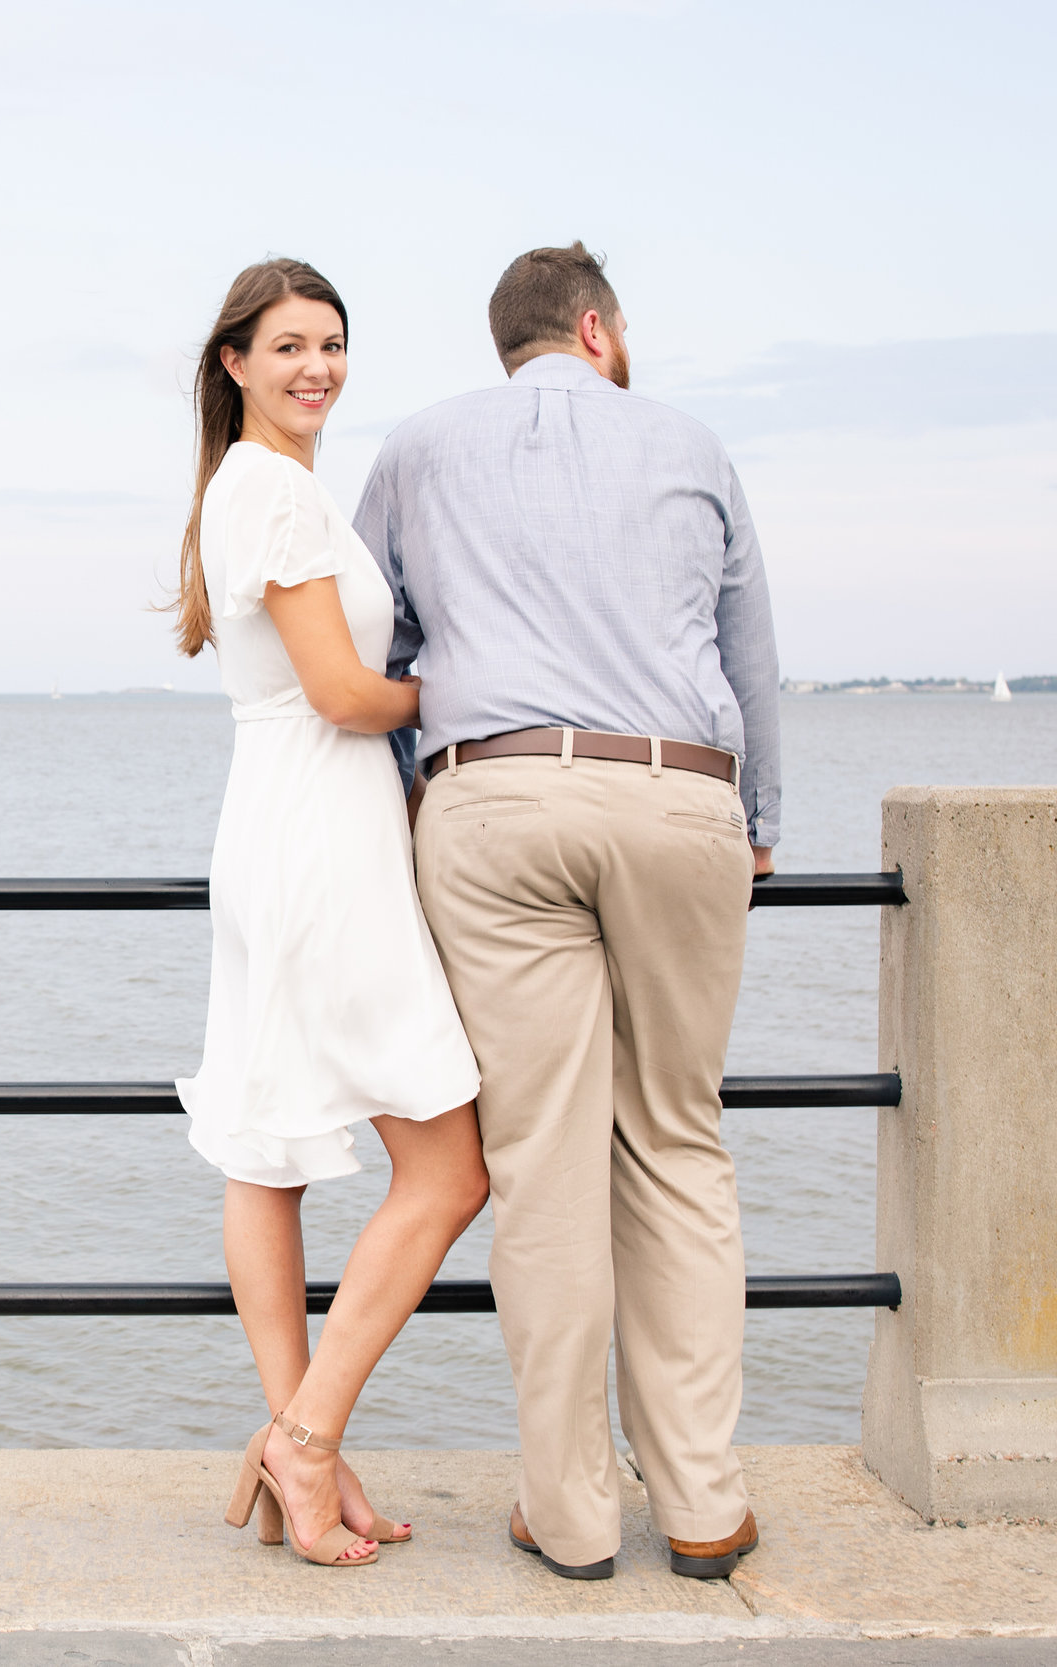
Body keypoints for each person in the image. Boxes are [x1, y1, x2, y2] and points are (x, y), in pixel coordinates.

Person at [352, 242, 780, 1583]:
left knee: (540, 1161)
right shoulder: (693, 443)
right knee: (676, 1140)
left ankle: (573, 1515)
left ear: (512, 343)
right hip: (677, 801)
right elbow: (748, 653)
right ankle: (705, 1507)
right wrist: (760, 823)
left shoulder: (419, 449)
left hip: (497, 801)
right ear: (599, 330)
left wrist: (409, 812)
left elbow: (378, 651)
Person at [171, 258, 489, 1569]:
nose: (317, 366)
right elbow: (347, 694)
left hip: (279, 826)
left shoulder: (256, 491)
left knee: (269, 1149)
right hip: (321, 840)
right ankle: (305, 1438)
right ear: (235, 361)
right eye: (289, 345)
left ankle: (303, 1447)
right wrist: (486, 690)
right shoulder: (272, 497)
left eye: (334, 345)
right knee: (451, 1166)